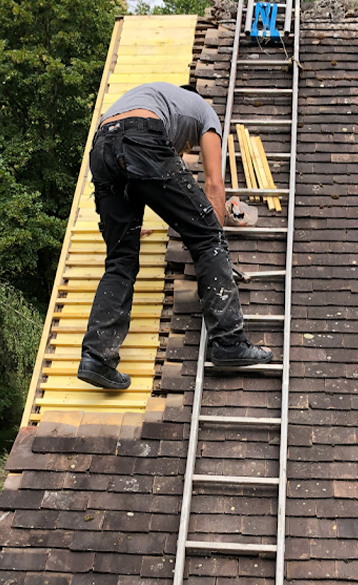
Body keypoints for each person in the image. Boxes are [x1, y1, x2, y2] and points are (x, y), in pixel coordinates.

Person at [77, 82, 273, 390]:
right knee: (208, 235)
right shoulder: (204, 112)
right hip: (139, 138)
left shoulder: (155, 100)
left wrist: (128, 222)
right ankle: (228, 342)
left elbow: (146, 181)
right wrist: (214, 233)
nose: (184, 152)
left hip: (102, 146)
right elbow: (213, 184)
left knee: (120, 259)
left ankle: (96, 357)